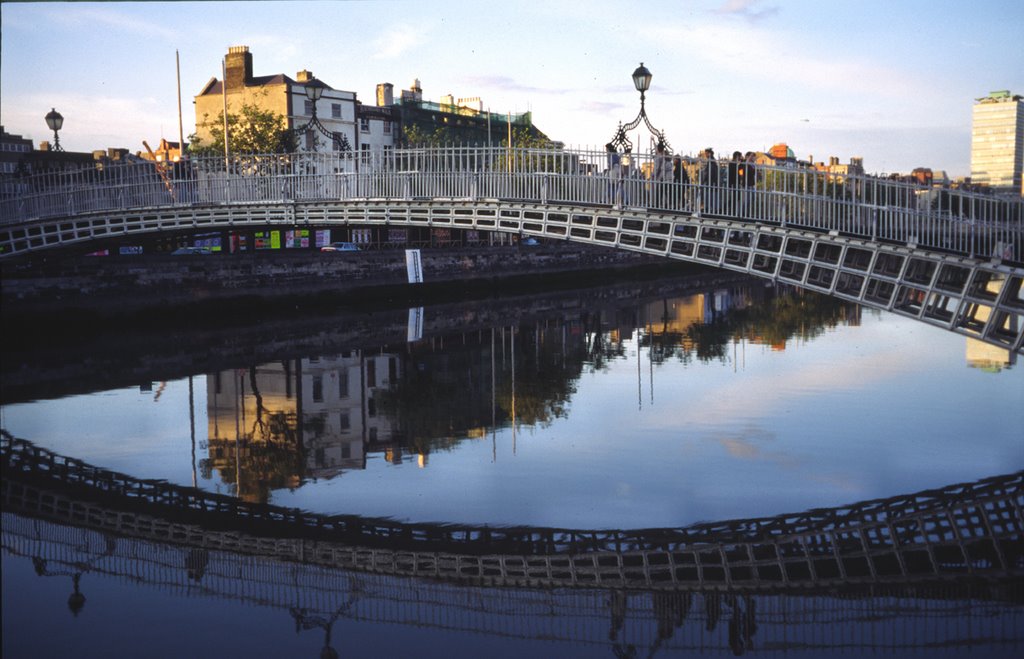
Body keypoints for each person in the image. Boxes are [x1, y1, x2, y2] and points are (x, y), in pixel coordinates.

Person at [697, 148, 719, 217]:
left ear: (709, 153)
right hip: (713, 182)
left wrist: (704, 180)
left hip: (710, 182)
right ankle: (711, 209)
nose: (705, 155)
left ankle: (709, 210)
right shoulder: (713, 161)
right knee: (712, 197)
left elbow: (708, 173)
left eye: (706, 153)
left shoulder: (710, 162)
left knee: (709, 197)